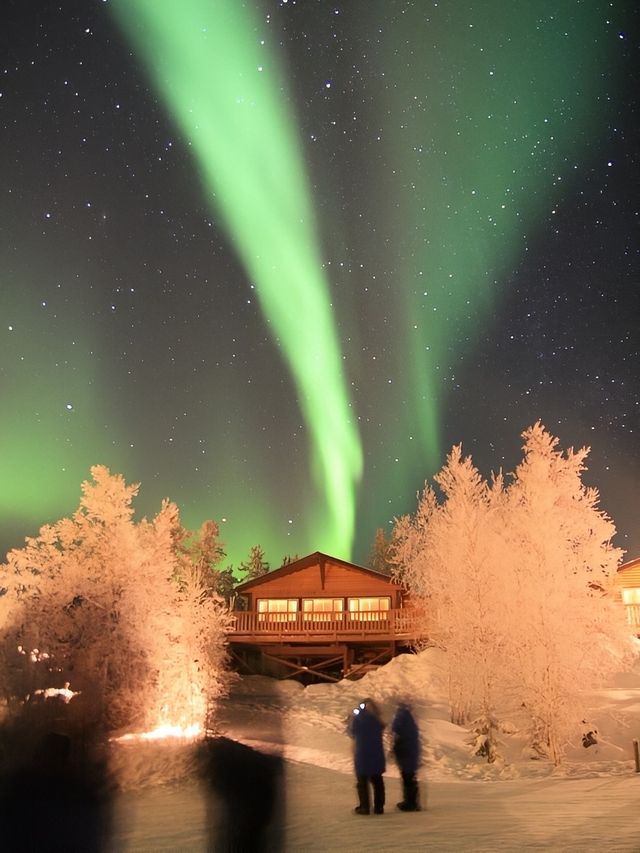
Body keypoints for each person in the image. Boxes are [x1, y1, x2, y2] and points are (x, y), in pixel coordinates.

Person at [348, 698, 386, 815]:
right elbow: (382, 726)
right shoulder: (376, 720)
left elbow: (351, 732)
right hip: (377, 756)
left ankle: (364, 807)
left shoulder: (358, 720)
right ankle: (379, 808)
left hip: (362, 756)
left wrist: (351, 718)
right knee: (378, 782)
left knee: (362, 783)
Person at [391, 701, 422, 811]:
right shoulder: (410, 720)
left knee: (407, 779)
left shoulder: (402, 717)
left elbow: (395, 728)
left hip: (406, 755)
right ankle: (413, 802)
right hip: (411, 754)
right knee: (410, 778)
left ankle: (410, 803)